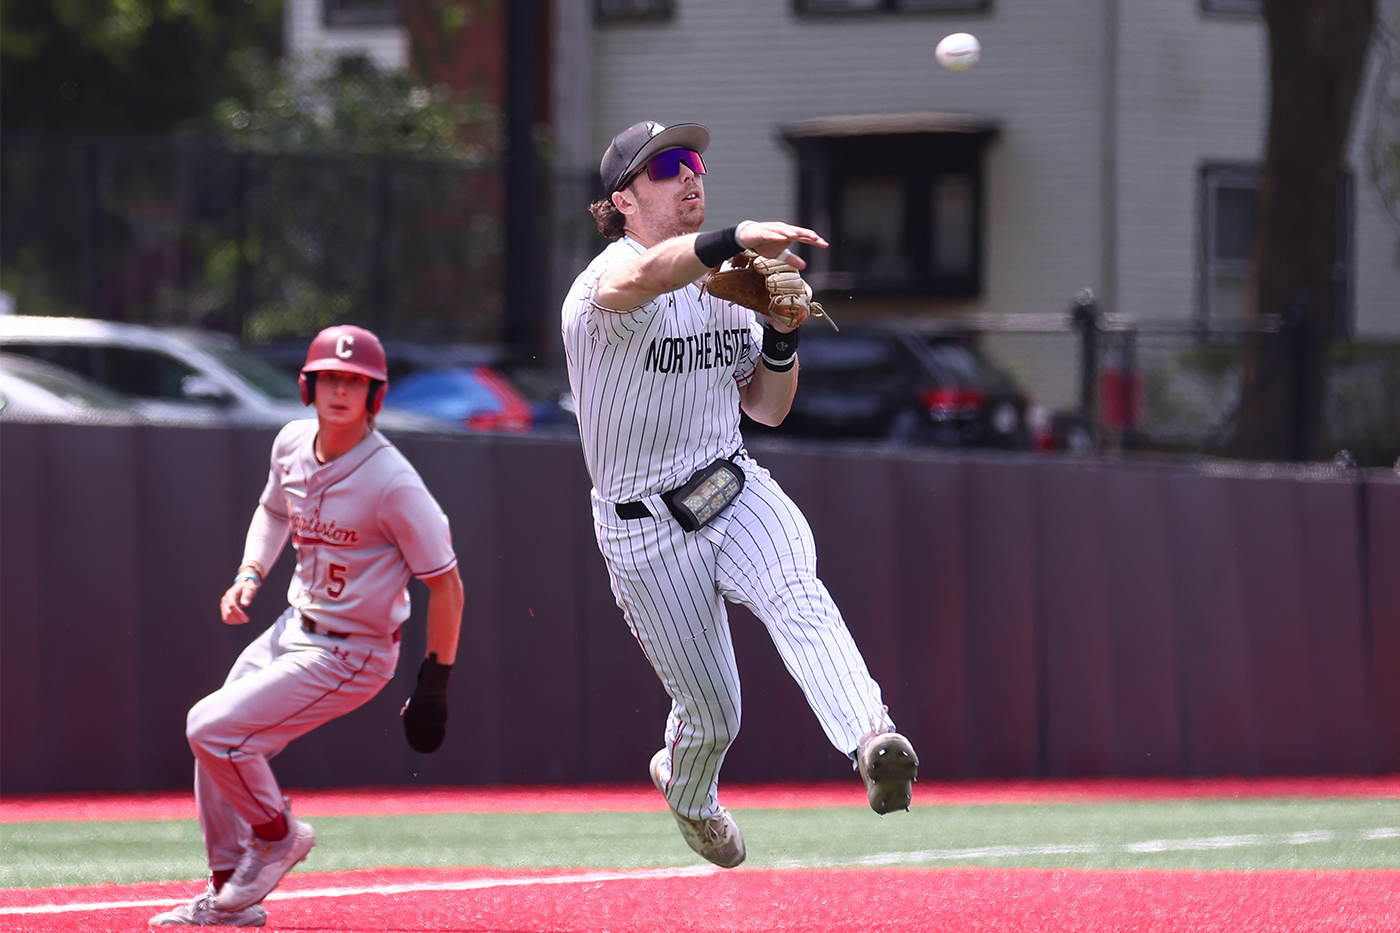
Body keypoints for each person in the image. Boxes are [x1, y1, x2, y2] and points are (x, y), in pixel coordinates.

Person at [560, 121, 919, 869]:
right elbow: (652, 276)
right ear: (621, 199)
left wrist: (783, 335)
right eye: (665, 167)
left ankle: (872, 738)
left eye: (693, 161)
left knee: (797, 591)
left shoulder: (727, 284)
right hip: (643, 530)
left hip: (734, 485)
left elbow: (767, 406)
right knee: (715, 716)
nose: (689, 173)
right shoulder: (603, 285)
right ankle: (689, 794)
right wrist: (734, 235)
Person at [150, 325, 464, 926]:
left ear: (375, 395)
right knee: (218, 749)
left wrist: (436, 680)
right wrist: (250, 571)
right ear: (307, 387)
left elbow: (446, 584)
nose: (340, 390)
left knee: (209, 728)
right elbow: (272, 510)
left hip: (353, 653)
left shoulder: (393, 483)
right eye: (329, 379)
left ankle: (277, 835)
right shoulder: (292, 441)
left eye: (354, 381)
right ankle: (229, 899)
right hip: (294, 627)